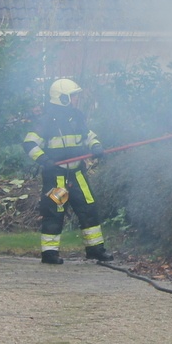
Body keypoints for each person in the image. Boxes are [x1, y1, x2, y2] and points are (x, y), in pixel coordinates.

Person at [21, 78, 114, 264]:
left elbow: (88, 136)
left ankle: (95, 250)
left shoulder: (77, 116)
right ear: (62, 98)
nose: (76, 99)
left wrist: (96, 146)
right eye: (73, 96)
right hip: (58, 178)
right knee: (55, 212)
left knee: (88, 208)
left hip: (77, 175)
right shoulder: (46, 121)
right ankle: (50, 253)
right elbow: (29, 143)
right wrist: (44, 160)